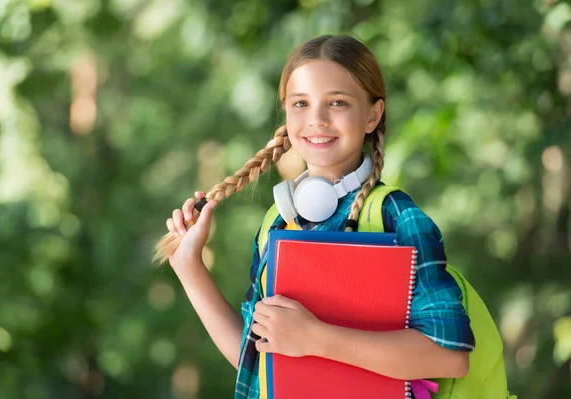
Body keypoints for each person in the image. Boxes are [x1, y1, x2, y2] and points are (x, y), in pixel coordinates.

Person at [157, 35, 475, 399]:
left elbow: (449, 357)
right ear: (287, 114)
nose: (317, 120)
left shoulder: (397, 217)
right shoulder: (277, 222)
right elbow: (256, 365)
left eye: (337, 102)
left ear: (373, 115)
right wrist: (189, 268)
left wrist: (316, 338)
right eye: (301, 104)